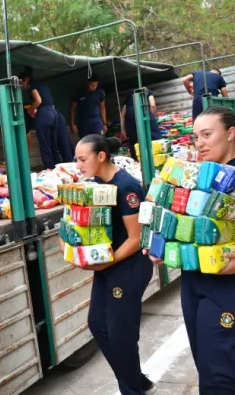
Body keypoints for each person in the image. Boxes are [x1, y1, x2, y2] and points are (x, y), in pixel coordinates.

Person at [145, 106, 235, 394]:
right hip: (195, 281)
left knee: (219, 377)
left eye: (207, 134)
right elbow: (185, 225)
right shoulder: (193, 176)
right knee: (211, 370)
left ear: (231, 133)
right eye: (196, 136)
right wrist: (164, 245)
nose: (200, 143)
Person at [69, 135, 156, 395]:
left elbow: (136, 237)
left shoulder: (126, 187)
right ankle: (137, 380)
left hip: (129, 266)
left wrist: (105, 264)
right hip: (108, 265)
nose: (78, 165)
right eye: (77, 159)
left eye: (83, 159)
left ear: (101, 156)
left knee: (121, 334)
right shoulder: (97, 184)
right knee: (98, 324)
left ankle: (133, 390)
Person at [19, 66, 73, 169]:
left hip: (44, 114)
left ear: (26, 80)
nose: (22, 86)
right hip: (54, 113)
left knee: (45, 144)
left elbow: (38, 100)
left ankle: (50, 168)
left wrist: (31, 111)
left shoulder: (33, 87)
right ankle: (59, 167)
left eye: (22, 83)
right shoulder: (43, 86)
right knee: (54, 143)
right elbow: (51, 105)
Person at [121, 88, 163, 160]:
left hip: (130, 115)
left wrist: (122, 130)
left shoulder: (129, 95)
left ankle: (136, 161)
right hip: (144, 111)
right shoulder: (147, 91)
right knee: (155, 138)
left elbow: (122, 114)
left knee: (134, 141)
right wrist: (152, 117)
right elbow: (152, 105)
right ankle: (158, 157)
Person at [71, 74, 107, 139]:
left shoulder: (100, 92)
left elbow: (102, 107)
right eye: (92, 85)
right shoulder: (79, 91)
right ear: (87, 82)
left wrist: (104, 123)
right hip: (83, 121)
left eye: (96, 85)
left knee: (99, 140)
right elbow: (72, 109)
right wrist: (72, 123)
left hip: (96, 120)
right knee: (86, 143)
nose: (93, 87)